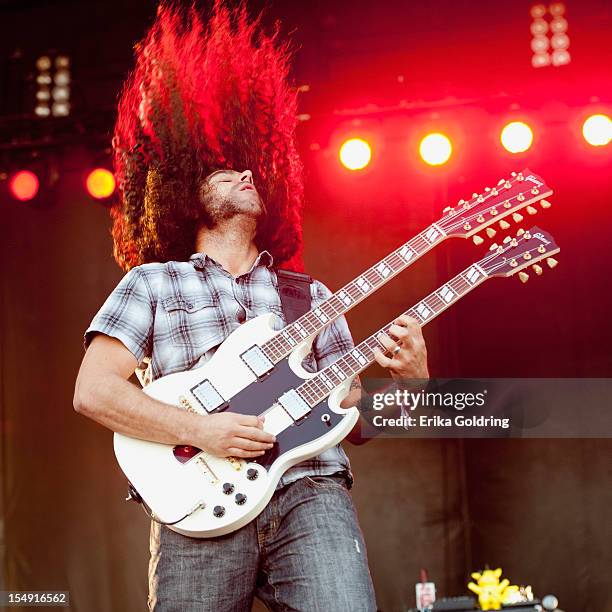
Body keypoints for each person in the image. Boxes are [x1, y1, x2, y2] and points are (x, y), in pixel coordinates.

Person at [73, 3, 428, 611]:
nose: (243, 172)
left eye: (248, 166)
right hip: (200, 502)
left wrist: (415, 386)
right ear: (182, 187)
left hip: (309, 492)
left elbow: (352, 413)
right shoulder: (152, 283)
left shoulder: (309, 296)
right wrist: (200, 429)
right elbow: (94, 392)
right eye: (220, 168)